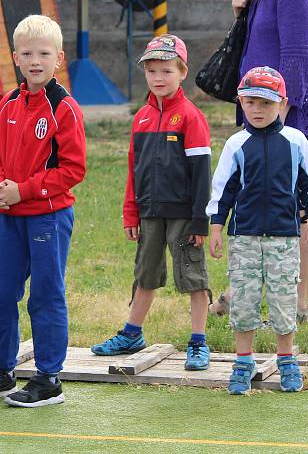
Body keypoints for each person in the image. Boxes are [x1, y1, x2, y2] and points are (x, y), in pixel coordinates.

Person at [0, 14, 86, 407]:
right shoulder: (8, 103)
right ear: (15, 57)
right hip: (10, 219)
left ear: (59, 58)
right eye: (28, 53)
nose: (36, 61)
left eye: (44, 54)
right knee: (0, 294)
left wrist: (25, 191)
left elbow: (73, 169)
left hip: (48, 218)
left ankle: (49, 378)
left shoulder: (64, 108)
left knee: (45, 297)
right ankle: (2, 371)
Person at [225, 0, 308, 324]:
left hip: (286, 114)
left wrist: (279, 121)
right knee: (256, 196)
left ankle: (298, 304)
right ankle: (240, 290)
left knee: (295, 205)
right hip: (259, 110)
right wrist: (242, 8)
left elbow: (297, 58)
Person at [90, 34, 213, 371]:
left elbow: (202, 174)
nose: (158, 78)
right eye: (152, 71)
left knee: (193, 276)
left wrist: (201, 220)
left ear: (182, 72)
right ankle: (132, 333)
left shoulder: (191, 117)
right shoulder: (141, 117)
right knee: (144, 273)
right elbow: (134, 168)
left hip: (185, 215)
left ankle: (198, 342)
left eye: (166, 71)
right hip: (149, 213)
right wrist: (131, 211)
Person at [208, 66, 308, 395]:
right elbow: (223, 189)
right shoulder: (236, 144)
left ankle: (286, 360)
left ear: (282, 104)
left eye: (266, 103)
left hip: (284, 237)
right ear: (241, 103)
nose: (257, 110)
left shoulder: (295, 141)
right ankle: (243, 362)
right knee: (243, 299)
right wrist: (216, 227)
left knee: (283, 297)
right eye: (250, 103)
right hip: (243, 237)